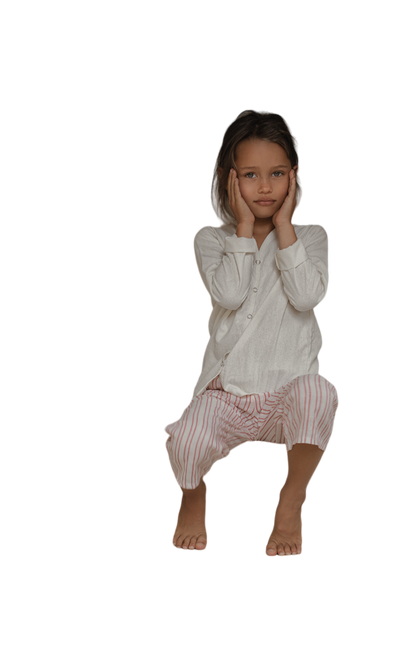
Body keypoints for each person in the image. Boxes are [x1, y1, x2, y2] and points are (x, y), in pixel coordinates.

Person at [161, 107, 342, 558]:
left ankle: (289, 505)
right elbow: (231, 294)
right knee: (182, 441)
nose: (264, 187)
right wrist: (245, 228)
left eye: (277, 173)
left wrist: (283, 228)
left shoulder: (313, 235)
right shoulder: (211, 238)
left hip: (286, 397)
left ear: (294, 178)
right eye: (251, 175)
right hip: (228, 394)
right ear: (229, 179)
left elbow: (307, 298)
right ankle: (192, 495)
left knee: (321, 392)